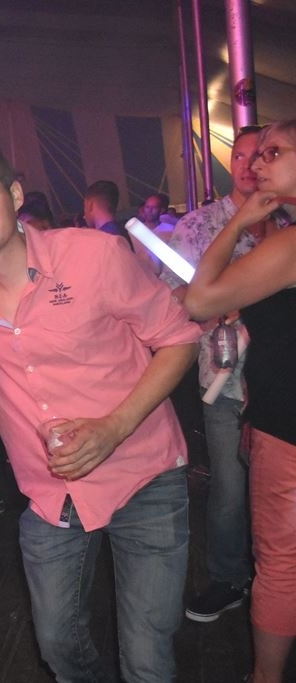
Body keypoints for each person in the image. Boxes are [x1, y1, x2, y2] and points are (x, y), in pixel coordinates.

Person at [0, 140, 200, 682]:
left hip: (143, 474)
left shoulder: (94, 255)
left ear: (14, 195)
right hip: (52, 492)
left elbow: (179, 338)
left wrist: (113, 428)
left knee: (147, 658)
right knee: (58, 645)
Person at [184, 119, 296, 683]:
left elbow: (200, 299)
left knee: (281, 564)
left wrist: (239, 222)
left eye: (274, 152)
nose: (258, 164)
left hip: (289, 427)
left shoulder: (291, 245)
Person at [160, 126, 264, 623]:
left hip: (281, 376)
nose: (248, 165)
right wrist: (216, 303)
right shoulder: (200, 224)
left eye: (260, 155)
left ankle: (275, 578)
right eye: (238, 155)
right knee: (229, 486)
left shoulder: (286, 224)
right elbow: (172, 296)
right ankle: (229, 578)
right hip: (226, 377)